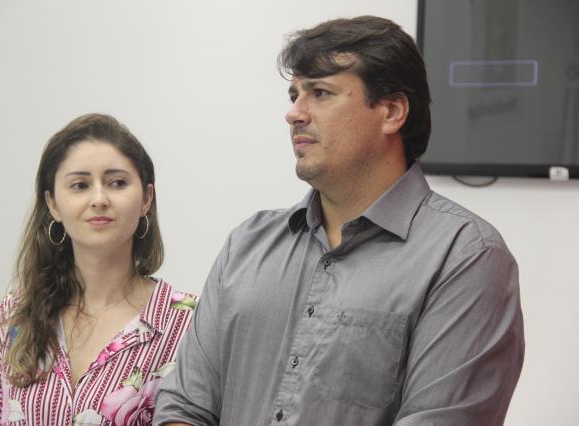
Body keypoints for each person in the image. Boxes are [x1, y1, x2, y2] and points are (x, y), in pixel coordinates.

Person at [153, 15, 524, 426]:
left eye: (320, 93)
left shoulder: (465, 256)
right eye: (294, 95)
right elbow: (184, 405)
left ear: (391, 111)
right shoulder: (247, 244)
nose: (294, 113)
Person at [0, 113, 196, 425]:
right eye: (80, 185)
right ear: (53, 204)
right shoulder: (12, 318)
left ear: (146, 199)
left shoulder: (190, 324)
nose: (99, 199)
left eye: (117, 183)